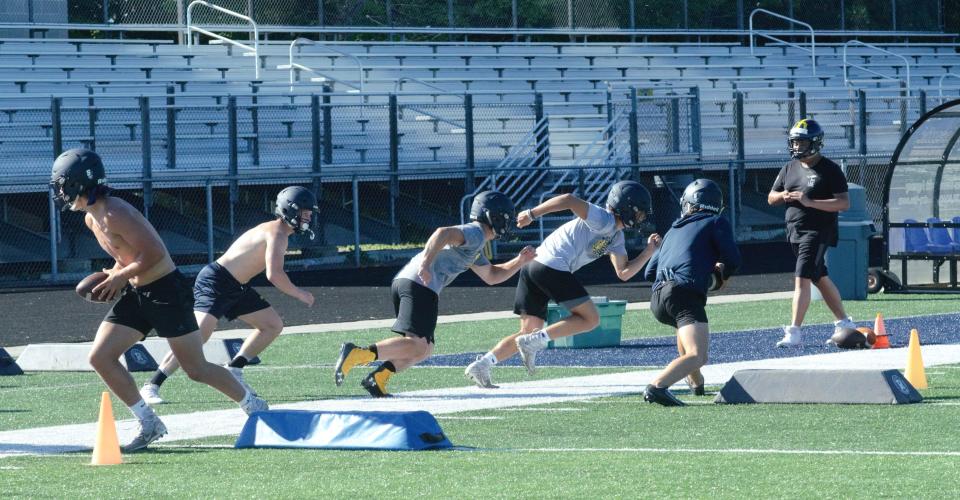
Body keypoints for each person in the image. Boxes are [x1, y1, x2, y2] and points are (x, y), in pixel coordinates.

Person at [50, 149, 267, 452]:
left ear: (77, 183)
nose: (59, 191)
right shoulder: (91, 218)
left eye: (62, 184)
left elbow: (154, 253)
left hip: (166, 290)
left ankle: (254, 406)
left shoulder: (115, 212)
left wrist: (119, 277)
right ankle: (148, 422)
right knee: (100, 356)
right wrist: (114, 274)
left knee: (196, 368)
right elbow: (125, 255)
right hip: (138, 292)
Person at [333, 191, 536, 397]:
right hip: (419, 284)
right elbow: (442, 233)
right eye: (506, 217)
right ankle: (358, 353)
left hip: (415, 284)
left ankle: (378, 377)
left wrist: (519, 261)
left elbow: (492, 275)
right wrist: (425, 264)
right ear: (494, 216)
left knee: (424, 349)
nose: (508, 223)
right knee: (418, 344)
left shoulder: (477, 243)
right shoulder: (475, 233)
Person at [465, 181, 660, 388]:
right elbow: (568, 200)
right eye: (639, 213)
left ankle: (483, 364)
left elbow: (623, 273)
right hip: (550, 265)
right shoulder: (604, 218)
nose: (641, 218)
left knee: (528, 332)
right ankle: (537, 340)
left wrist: (648, 252)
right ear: (627, 208)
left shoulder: (616, 236)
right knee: (590, 319)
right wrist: (532, 213)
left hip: (534, 267)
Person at [139, 186, 317, 404]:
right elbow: (274, 275)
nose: (308, 218)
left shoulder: (280, 233)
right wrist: (300, 294)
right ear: (290, 211)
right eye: (305, 213)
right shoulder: (277, 234)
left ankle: (235, 369)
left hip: (236, 285)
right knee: (197, 336)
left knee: (272, 325)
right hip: (216, 281)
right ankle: (152, 384)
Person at [642, 178, 741, 406]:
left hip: (657, 297)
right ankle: (656, 386)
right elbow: (733, 259)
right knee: (698, 354)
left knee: (687, 340)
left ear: (687, 204)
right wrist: (718, 274)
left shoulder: (673, 228)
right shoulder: (716, 221)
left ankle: (696, 385)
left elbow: (649, 272)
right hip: (683, 292)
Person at [768, 119, 855, 348]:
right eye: (795, 142)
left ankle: (794, 331)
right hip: (794, 231)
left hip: (817, 231)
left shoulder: (830, 169)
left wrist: (809, 201)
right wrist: (784, 196)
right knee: (819, 277)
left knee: (802, 277)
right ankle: (844, 322)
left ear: (815, 143)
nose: (797, 147)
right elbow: (771, 197)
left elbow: (843, 203)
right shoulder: (789, 168)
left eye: (802, 142)